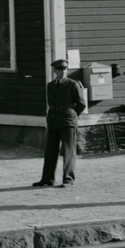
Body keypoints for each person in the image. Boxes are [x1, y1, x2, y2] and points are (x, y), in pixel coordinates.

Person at [32, 59, 86, 188]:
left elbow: (81, 104)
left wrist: (72, 115)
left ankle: (68, 179)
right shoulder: (50, 85)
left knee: (68, 152)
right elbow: (51, 103)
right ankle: (47, 179)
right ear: (54, 71)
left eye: (65, 69)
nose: (63, 72)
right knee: (50, 151)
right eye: (60, 70)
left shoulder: (73, 84)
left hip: (68, 122)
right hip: (53, 121)